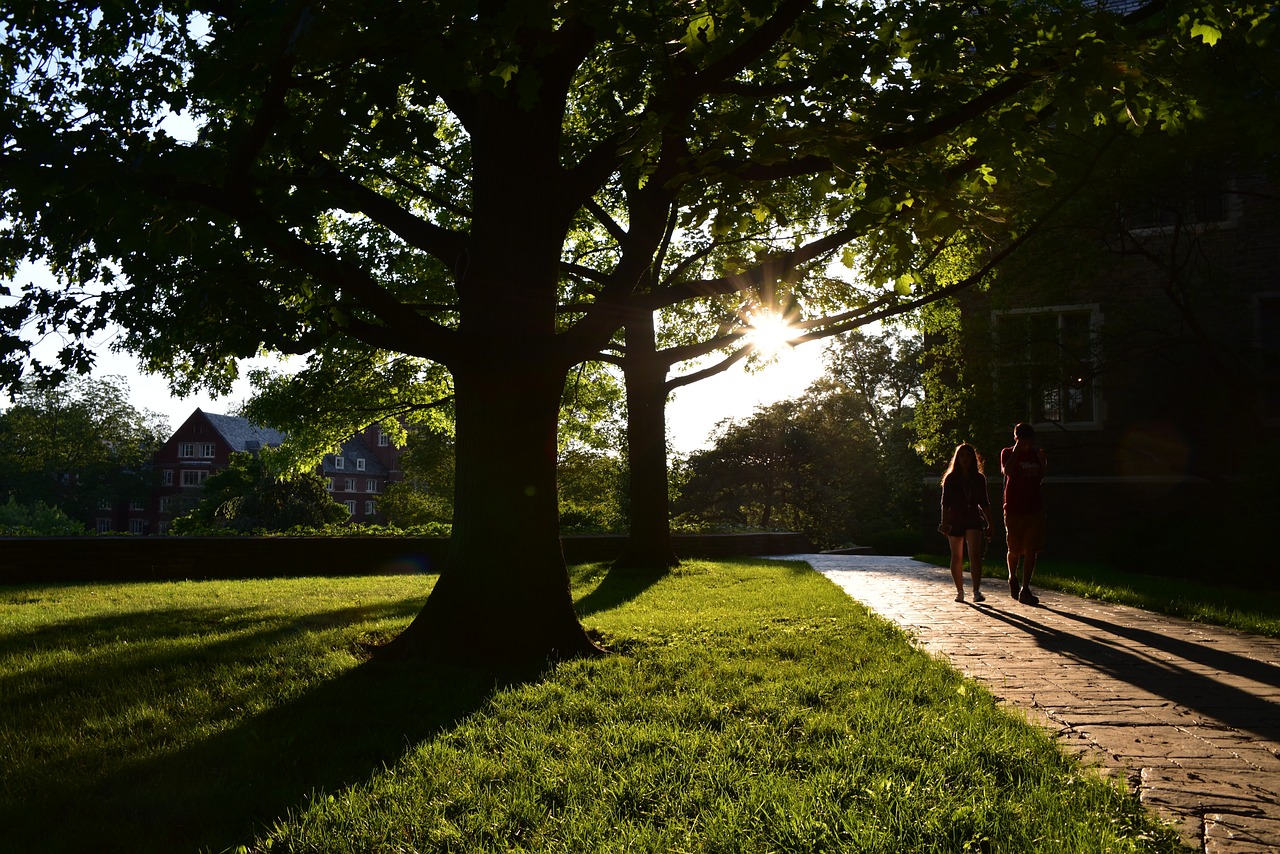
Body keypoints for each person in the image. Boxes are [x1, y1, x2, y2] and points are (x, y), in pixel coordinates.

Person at [1001, 422, 1048, 605]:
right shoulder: (1007, 452)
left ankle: (1025, 589)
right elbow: (1008, 471)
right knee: (1014, 549)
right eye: (1022, 439)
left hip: (1034, 508)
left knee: (1031, 549)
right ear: (1016, 438)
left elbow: (1039, 479)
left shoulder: (1035, 454)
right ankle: (1012, 577)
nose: (1027, 443)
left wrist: (1043, 463)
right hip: (1013, 508)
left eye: (1028, 439)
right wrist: (1017, 450)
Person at [940, 443, 993, 603]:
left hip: (973, 519)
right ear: (957, 458)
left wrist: (990, 523)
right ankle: (959, 590)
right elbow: (945, 503)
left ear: (973, 458)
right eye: (961, 456)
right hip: (955, 519)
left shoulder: (978, 479)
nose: (965, 459)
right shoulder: (951, 478)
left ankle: (976, 590)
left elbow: (984, 503)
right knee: (957, 556)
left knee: (974, 554)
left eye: (968, 456)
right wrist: (944, 522)